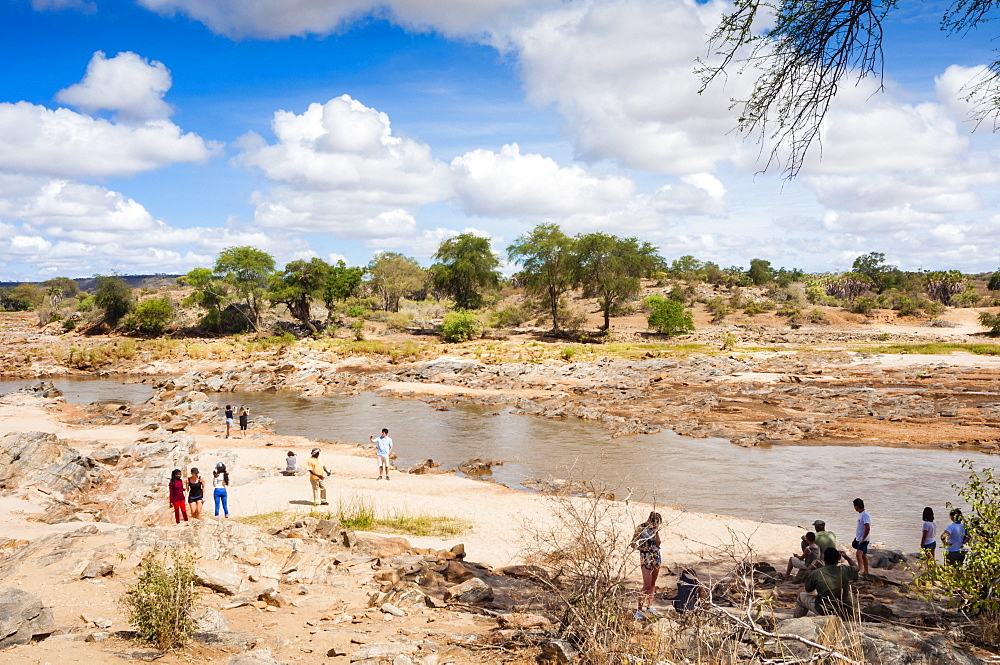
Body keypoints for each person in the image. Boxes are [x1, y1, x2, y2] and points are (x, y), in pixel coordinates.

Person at [793, 547, 860, 619]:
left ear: (824, 559)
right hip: (845, 609)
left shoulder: (817, 573)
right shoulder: (845, 570)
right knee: (850, 595)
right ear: (838, 559)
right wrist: (847, 557)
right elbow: (856, 568)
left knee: (801, 596)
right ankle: (853, 618)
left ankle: (796, 620)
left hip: (825, 609)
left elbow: (808, 589)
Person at [631, 511, 662, 619]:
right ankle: (639, 610)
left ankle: (650, 606)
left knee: (653, 583)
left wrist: (656, 532)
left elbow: (658, 543)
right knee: (646, 585)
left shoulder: (655, 529)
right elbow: (633, 543)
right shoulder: (640, 528)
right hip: (646, 557)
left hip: (656, 555)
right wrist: (642, 549)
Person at [852, 498, 871, 575]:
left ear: (856, 506)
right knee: (863, 555)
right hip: (860, 537)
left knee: (858, 554)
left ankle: (861, 570)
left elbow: (867, 527)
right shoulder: (861, 514)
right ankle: (866, 571)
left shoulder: (865, 515)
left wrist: (863, 538)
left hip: (863, 539)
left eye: (854, 506)